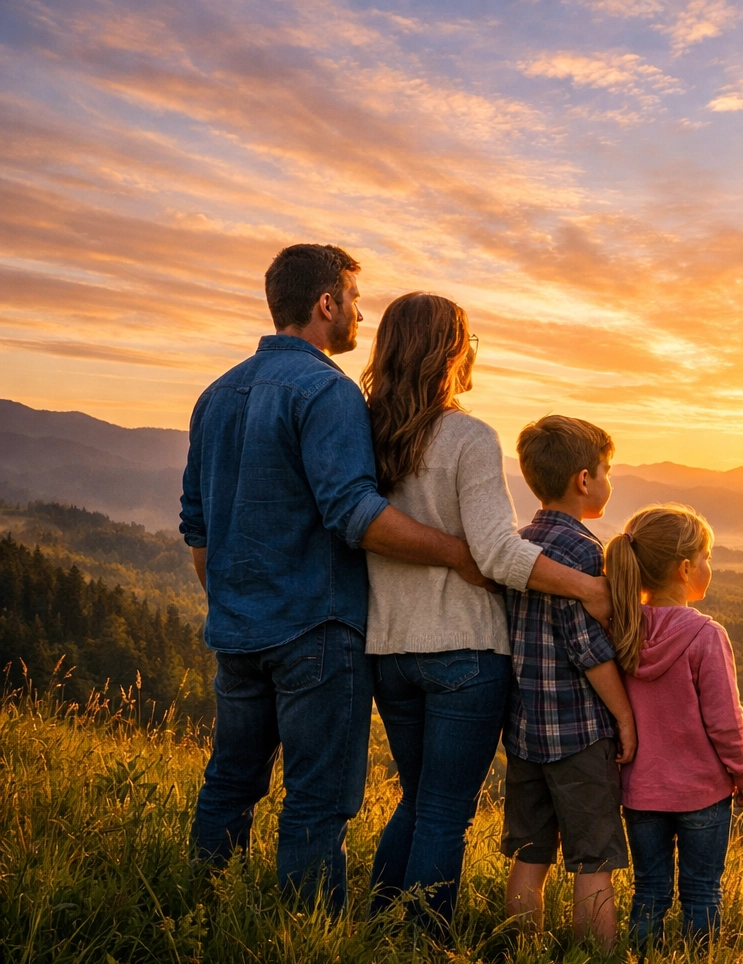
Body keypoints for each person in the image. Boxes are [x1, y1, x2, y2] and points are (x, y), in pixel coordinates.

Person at [180, 246, 609, 913]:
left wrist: (233, 601)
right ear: (326, 304)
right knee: (371, 807)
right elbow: (379, 520)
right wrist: (492, 563)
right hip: (383, 638)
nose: (357, 312)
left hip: (324, 642)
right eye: (352, 299)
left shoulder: (232, 398)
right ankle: (347, 942)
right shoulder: (347, 401)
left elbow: (198, 526)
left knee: (235, 782)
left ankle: (205, 911)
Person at [361, 292, 546, 928]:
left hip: (389, 650)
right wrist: (588, 588)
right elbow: (497, 553)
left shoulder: (364, 433)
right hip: (465, 650)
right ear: (454, 351)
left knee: (418, 802)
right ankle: (420, 950)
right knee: (443, 814)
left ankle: (378, 928)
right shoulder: (469, 437)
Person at [501, 415, 637, 952]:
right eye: (606, 470)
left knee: (530, 853)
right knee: (594, 859)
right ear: (584, 480)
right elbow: (588, 649)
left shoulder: (517, 545)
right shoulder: (585, 553)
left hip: (525, 731)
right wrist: (625, 717)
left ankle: (517, 957)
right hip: (579, 734)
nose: (609, 480)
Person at [603, 503, 743, 945]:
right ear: (686, 569)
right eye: (707, 557)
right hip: (703, 794)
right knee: (702, 893)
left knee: (649, 892)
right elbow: (725, 722)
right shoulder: (706, 635)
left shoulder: (622, 628)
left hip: (641, 792)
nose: (710, 565)